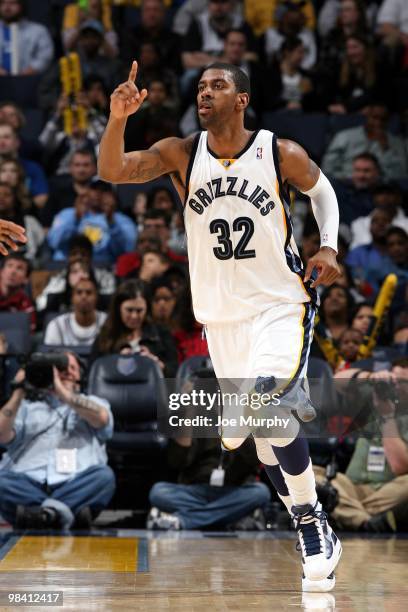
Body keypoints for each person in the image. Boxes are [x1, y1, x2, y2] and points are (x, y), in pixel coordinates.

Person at [98, 60, 342, 591]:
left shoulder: (279, 153)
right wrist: (117, 119)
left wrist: (328, 244)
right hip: (220, 319)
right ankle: (304, 503)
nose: (205, 93)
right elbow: (113, 171)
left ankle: (311, 521)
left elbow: (322, 192)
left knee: (266, 405)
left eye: (218, 85)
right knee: (260, 440)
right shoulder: (180, 154)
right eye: (201, 86)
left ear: (242, 99)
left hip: (280, 304)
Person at [0, 351, 115, 530]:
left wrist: (63, 393)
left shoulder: (93, 402)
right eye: (61, 368)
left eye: (73, 368)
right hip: (28, 481)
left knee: (103, 477)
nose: (68, 372)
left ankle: (39, 516)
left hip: (75, 481)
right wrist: (18, 392)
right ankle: (61, 513)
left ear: (80, 376)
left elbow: (101, 418)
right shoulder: (26, 407)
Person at [328, 357, 408, 533]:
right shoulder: (372, 399)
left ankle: (345, 514)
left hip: (389, 492)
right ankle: (367, 521)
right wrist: (371, 377)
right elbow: (337, 381)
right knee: (314, 475)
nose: (395, 386)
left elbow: (400, 466)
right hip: (351, 487)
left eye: (402, 382)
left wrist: (386, 417)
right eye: (393, 379)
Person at [90, 279, 178, 377]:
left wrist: (158, 365)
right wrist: (115, 362)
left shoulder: (161, 334)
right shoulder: (106, 336)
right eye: (129, 310)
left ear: (147, 309)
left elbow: (175, 373)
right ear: (118, 308)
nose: (134, 316)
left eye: (139, 311)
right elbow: (92, 373)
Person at [322, 104, 408, 181]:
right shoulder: (344, 136)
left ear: (389, 121)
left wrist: (385, 148)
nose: (378, 123)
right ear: (367, 117)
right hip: (346, 184)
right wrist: (349, 178)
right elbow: (328, 168)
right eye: (374, 117)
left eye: (383, 119)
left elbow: (401, 175)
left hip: (381, 189)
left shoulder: (397, 142)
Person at [36, 235, 115, 313]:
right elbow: (41, 305)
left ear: (90, 257)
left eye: (83, 254)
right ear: (68, 257)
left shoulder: (105, 276)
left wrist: (89, 282)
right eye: (74, 254)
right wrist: (67, 286)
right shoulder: (58, 277)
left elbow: (111, 304)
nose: (78, 257)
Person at [43, 276, 107, 347]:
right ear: (72, 298)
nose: (84, 296)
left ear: (96, 297)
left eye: (89, 293)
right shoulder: (57, 325)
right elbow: (50, 355)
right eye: (79, 292)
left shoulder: (107, 323)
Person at [0, 0, 54, 75]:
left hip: (30, 80)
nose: (7, 7)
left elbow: (45, 56)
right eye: (3, 3)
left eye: (12, 3)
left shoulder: (38, 30)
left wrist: (30, 70)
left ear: (21, 6)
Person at [0, 252, 35, 331]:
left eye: (19, 268)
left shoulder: (26, 306)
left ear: (26, 279)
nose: (13, 272)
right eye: (9, 266)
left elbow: (27, 335)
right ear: (1, 272)